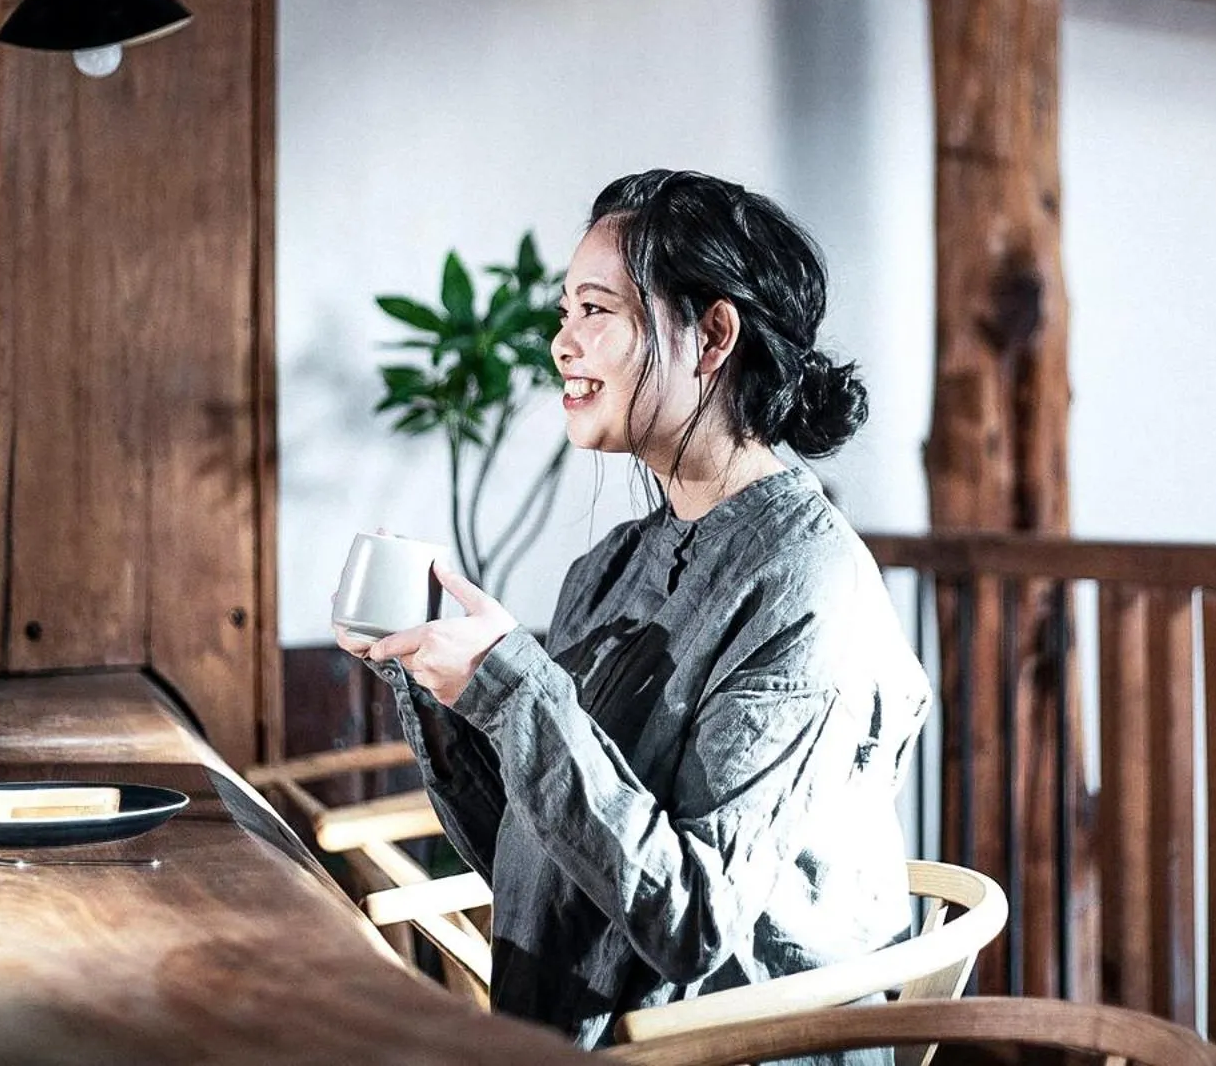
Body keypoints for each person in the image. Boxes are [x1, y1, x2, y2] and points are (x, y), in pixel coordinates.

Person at [336, 169, 932, 1057]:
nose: (560, 344)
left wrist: (515, 690)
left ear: (712, 334)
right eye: (563, 312)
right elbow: (543, 851)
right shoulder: (609, 565)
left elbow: (690, 919)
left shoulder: (810, 586)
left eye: (595, 310)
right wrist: (434, 679)